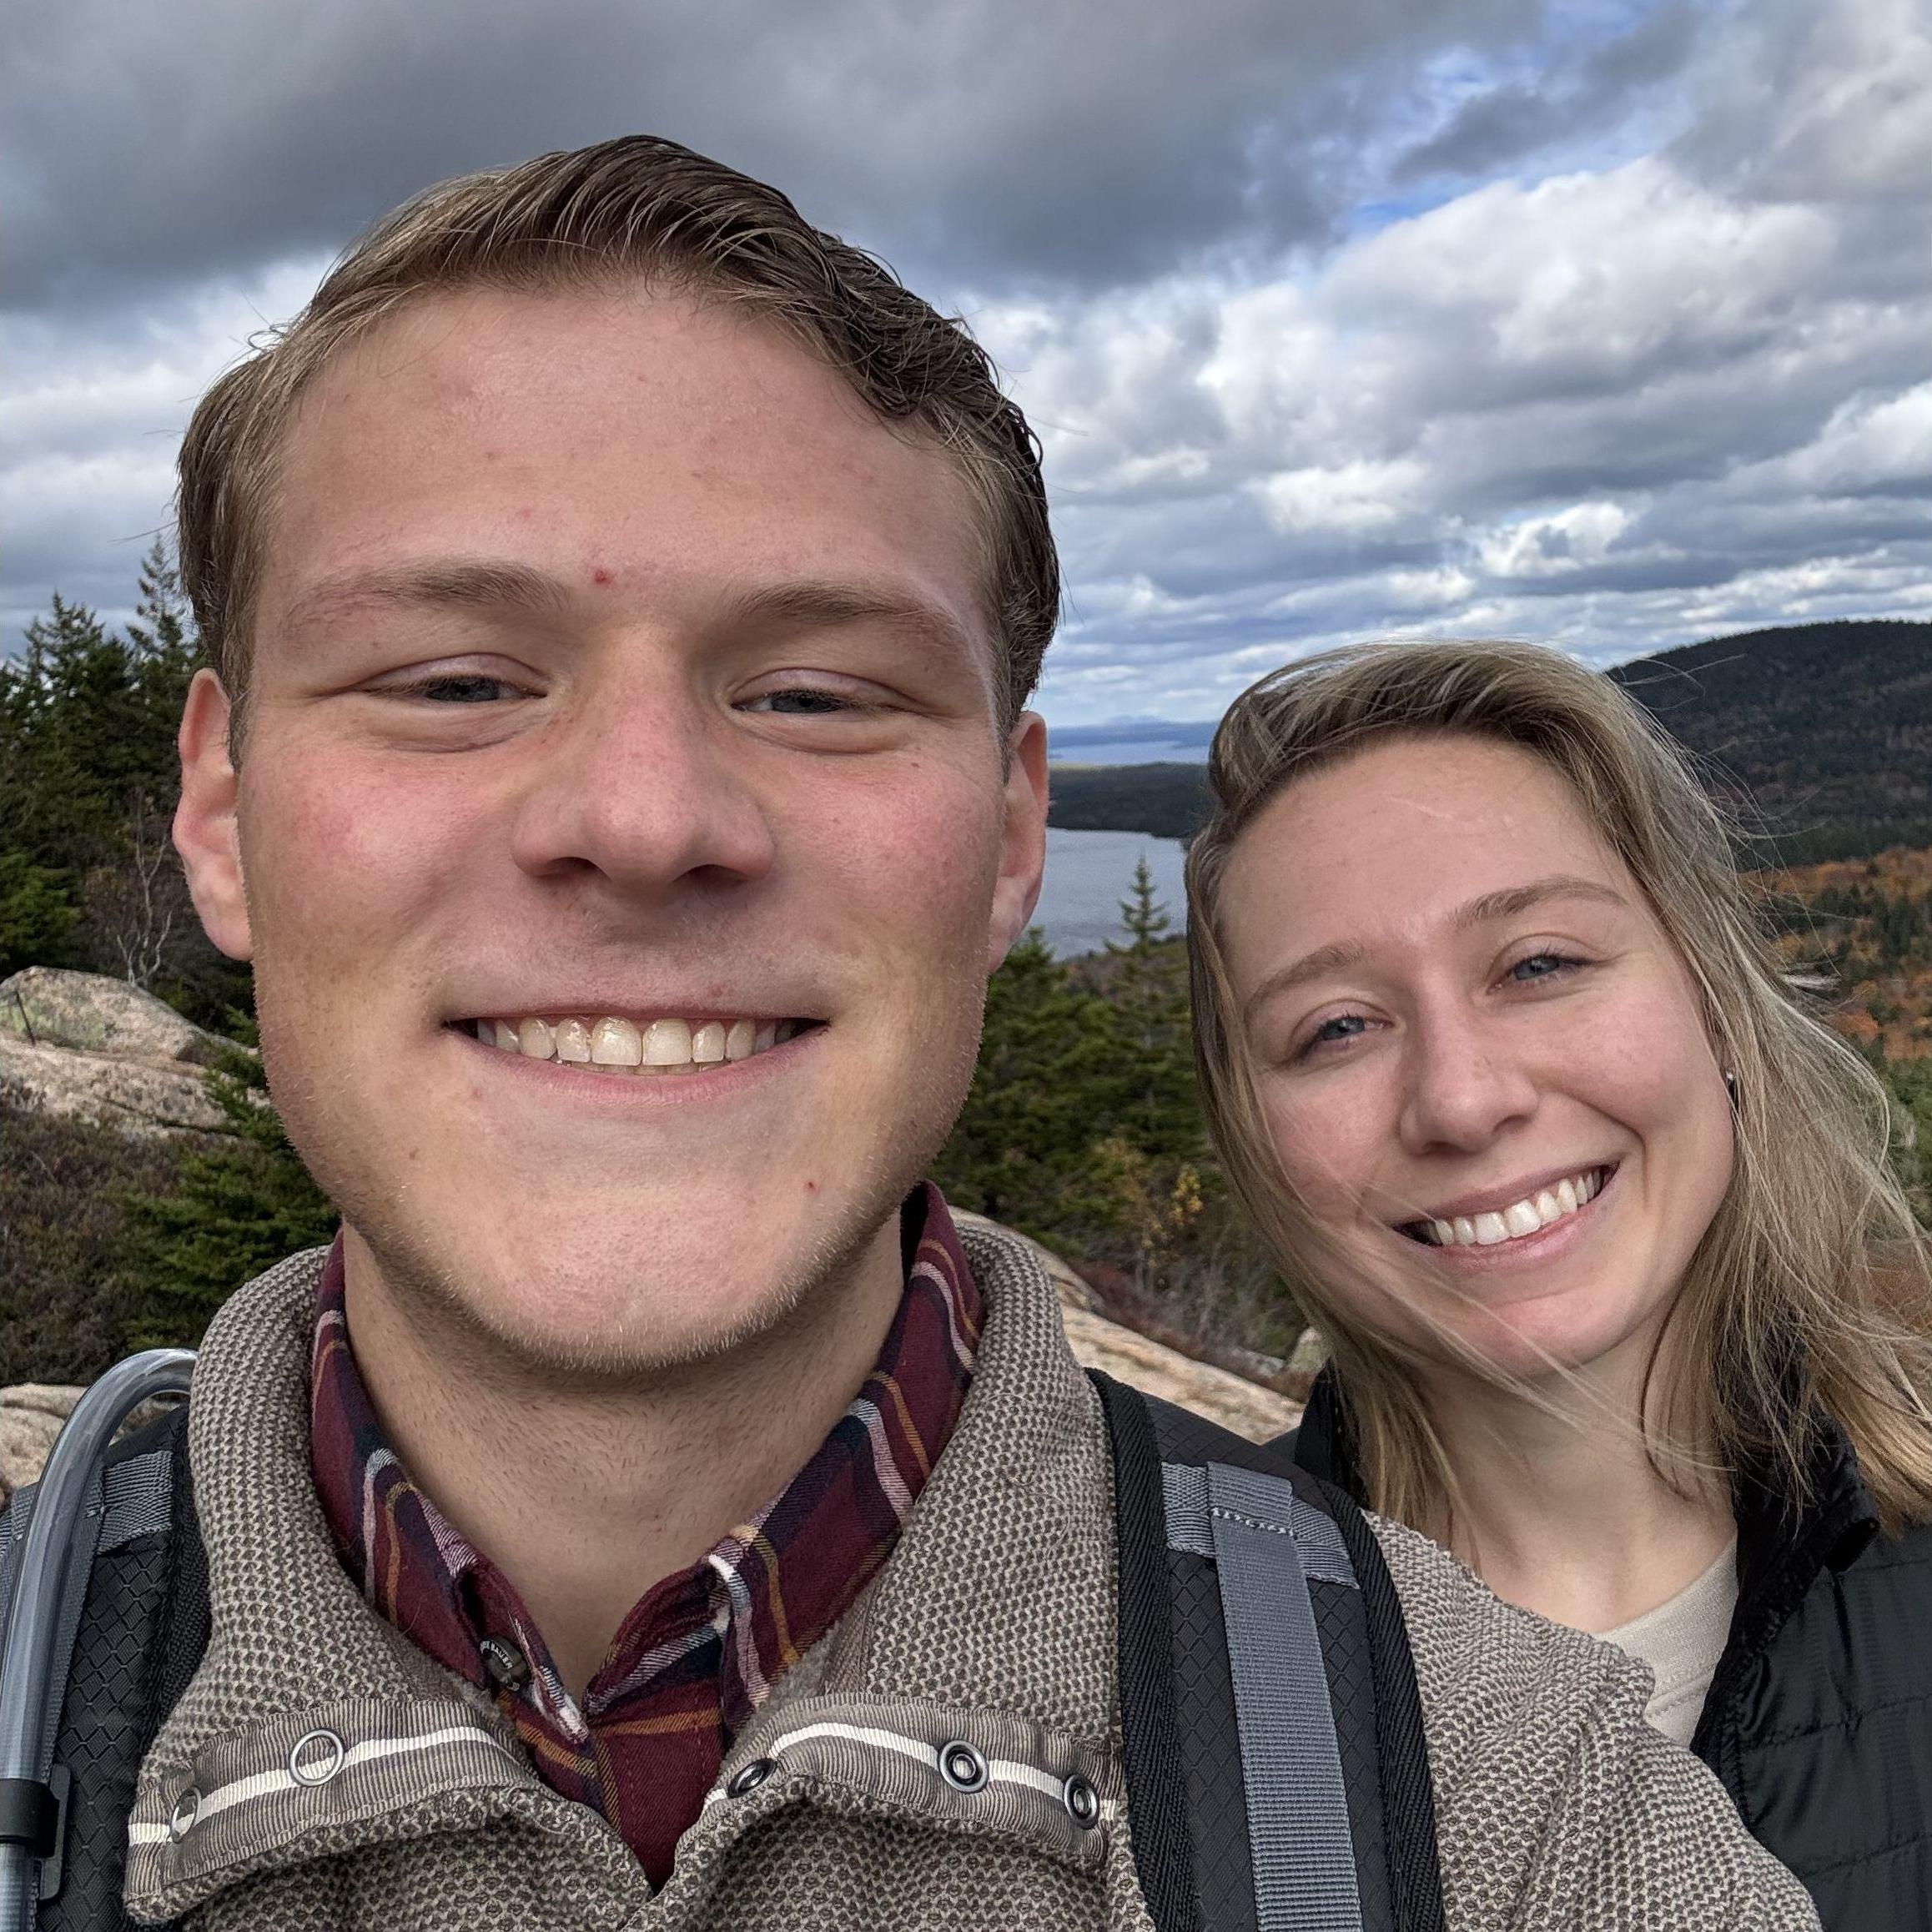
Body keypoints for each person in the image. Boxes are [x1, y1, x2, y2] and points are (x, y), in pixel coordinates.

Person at [11, 140, 1820, 1930]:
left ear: (1012, 842)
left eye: (815, 692)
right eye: (458, 681)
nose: (644, 821)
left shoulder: (1506, 1811)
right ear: (225, 814)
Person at [1185, 637, 1932, 1930]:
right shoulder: (1156, 1680)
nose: (1465, 1100)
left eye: (1539, 964)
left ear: (1716, 1010)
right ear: (1256, 1140)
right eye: (1338, 1028)